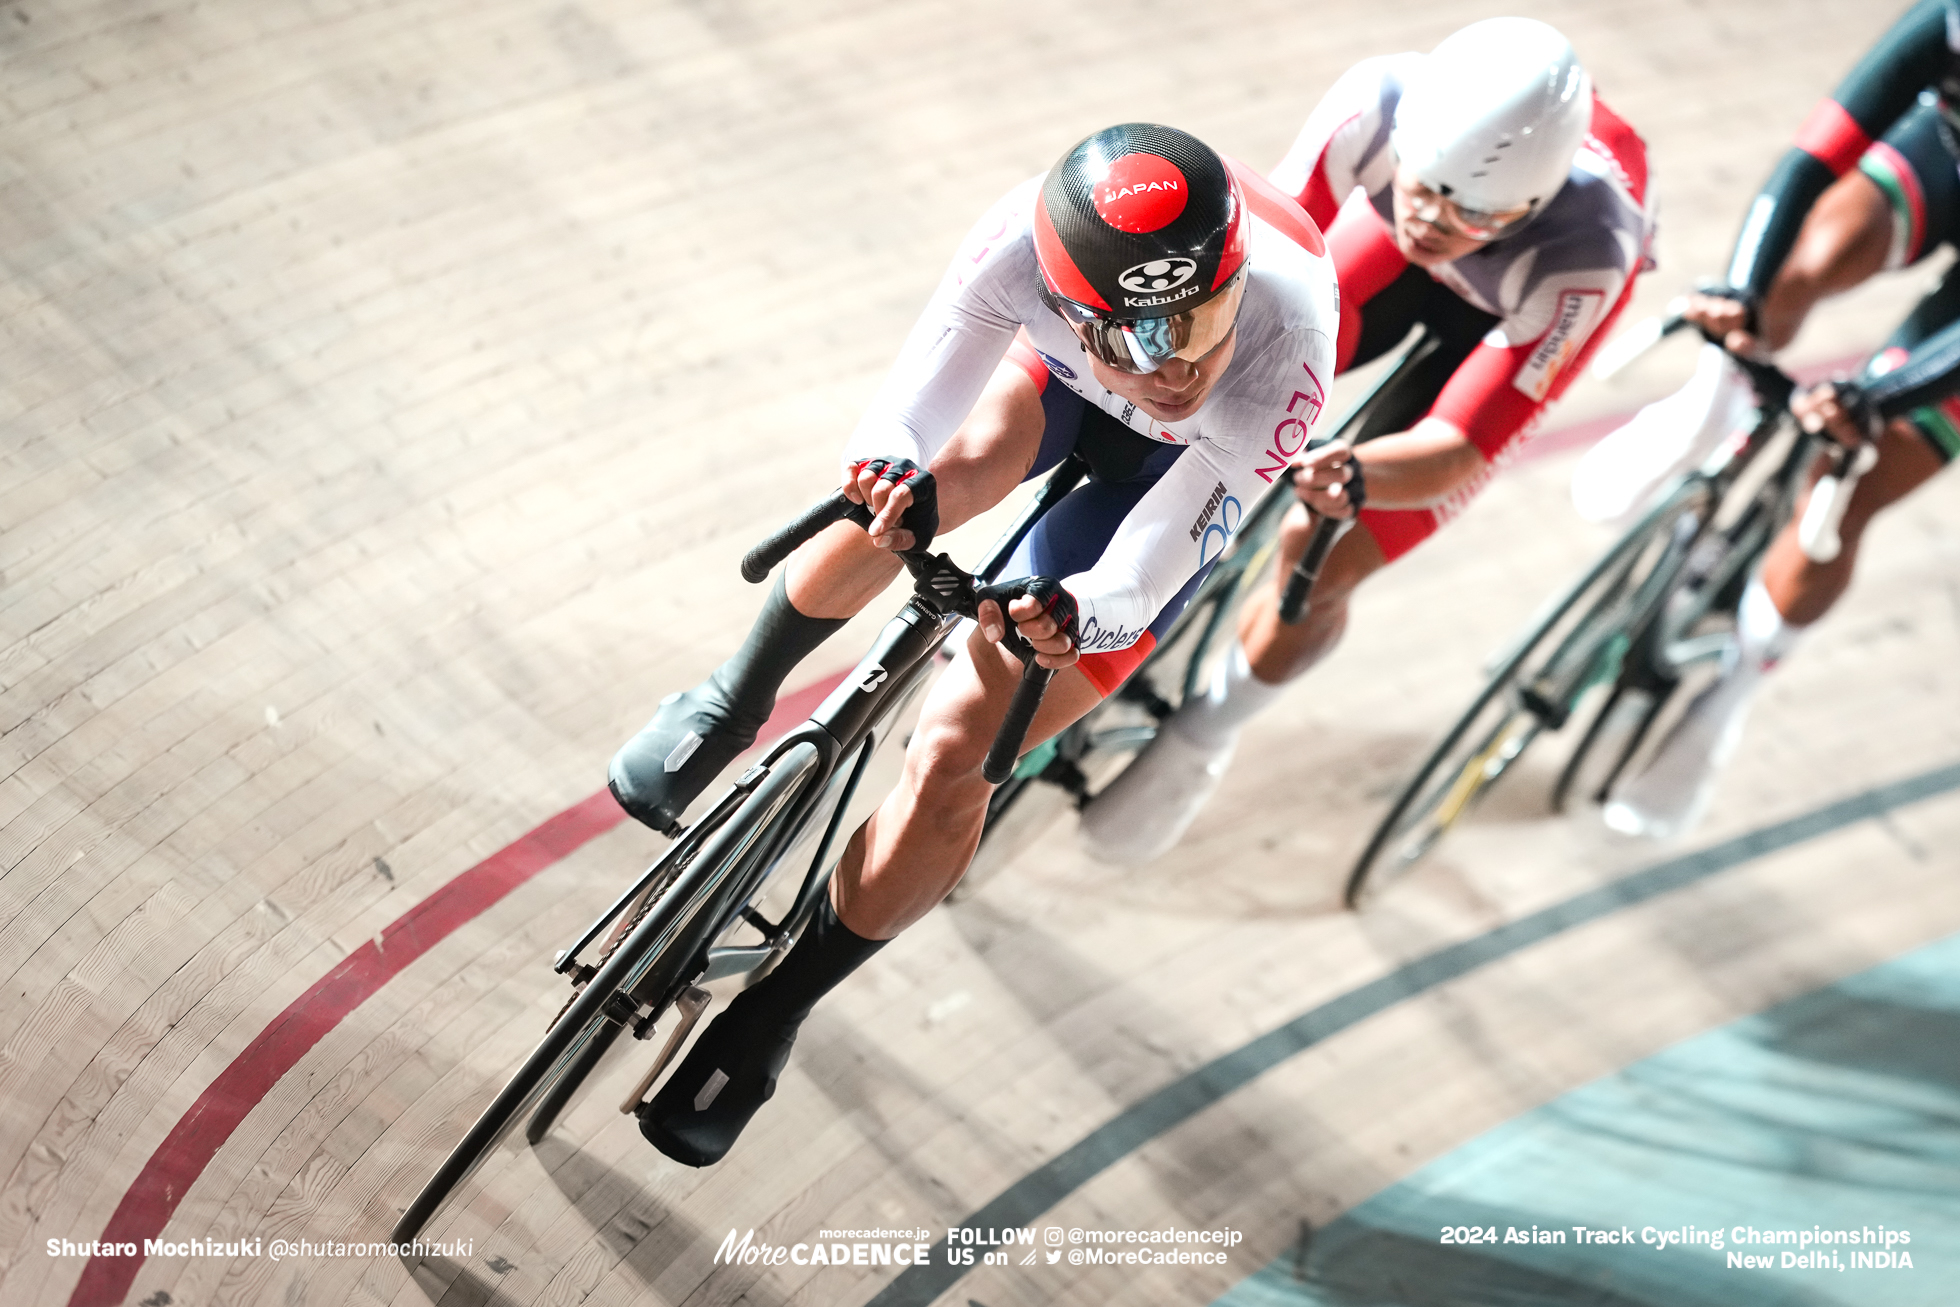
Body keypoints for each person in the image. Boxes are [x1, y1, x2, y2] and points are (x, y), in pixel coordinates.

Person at [611, 123, 1339, 1164]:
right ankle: (731, 696)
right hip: (1054, 384)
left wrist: (1078, 614)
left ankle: (771, 1015)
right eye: (1139, 336)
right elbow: (902, 416)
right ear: (1071, 304)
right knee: (920, 489)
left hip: (1170, 486)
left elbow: (1145, 566)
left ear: (1235, 281)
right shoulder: (1013, 245)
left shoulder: (1285, 339)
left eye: (1202, 319)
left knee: (960, 748)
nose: (1176, 365)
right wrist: (889, 476)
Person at [1075, 18, 1656, 865]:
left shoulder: (1589, 253)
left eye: (1470, 215)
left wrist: (1352, 473)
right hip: (1378, 248)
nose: (1431, 222)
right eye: (1424, 187)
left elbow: (1459, 445)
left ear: (1526, 206)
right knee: (1228, 381)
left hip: (1513, 313)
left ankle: (1203, 736)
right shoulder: (1375, 104)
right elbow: (1249, 284)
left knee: (1328, 544)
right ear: (1410, 141)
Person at [1599, 0, 1960, 836]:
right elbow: (1810, 160)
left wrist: (1877, 403)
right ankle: (1714, 408)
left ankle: (1725, 701)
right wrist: (1740, 290)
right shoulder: (1943, 22)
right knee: (1814, 257)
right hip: (1949, 152)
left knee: (1855, 475)